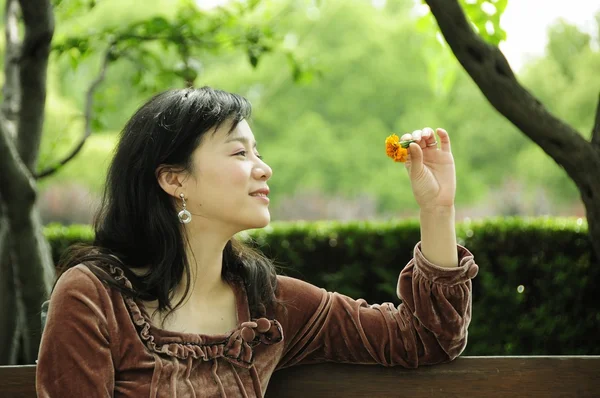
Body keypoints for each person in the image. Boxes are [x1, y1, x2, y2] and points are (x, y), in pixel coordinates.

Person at [36, 86, 478, 397]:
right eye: (239, 152)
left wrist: (436, 210)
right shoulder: (93, 298)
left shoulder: (268, 304)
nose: (263, 168)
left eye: (258, 152)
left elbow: (425, 338)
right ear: (174, 179)